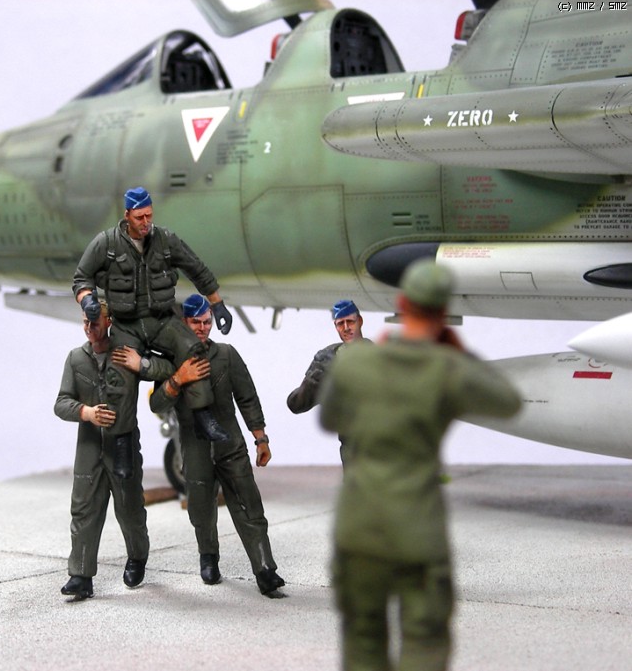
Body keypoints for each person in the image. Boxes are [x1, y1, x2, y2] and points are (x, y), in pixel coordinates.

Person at [317, 260, 522, 670]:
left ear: (402, 304)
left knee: (363, 639)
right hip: (417, 526)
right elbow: (508, 401)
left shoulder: (355, 363)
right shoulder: (448, 370)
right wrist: (456, 351)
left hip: (360, 526)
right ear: (443, 313)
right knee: (425, 640)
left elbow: (328, 419)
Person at [73, 186, 234, 480]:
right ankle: (122, 443)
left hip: (162, 320)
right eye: (140, 217)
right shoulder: (106, 244)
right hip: (127, 325)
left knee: (193, 348)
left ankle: (203, 415)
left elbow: (196, 268)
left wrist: (217, 304)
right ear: (127, 215)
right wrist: (87, 300)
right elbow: (81, 277)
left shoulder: (166, 240)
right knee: (119, 377)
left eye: (149, 215)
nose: (146, 222)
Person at [147, 293, 286, 597]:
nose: (202, 328)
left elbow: (247, 398)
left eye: (207, 322)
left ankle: (265, 569)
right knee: (200, 509)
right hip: (194, 448)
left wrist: (260, 438)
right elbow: (157, 403)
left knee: (249, 505)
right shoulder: (170, 361)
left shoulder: (226, 354)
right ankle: (208, 556)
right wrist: (178, 379)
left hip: (230, 445)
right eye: (196, 322)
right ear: (184, 323)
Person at [53, 301, 158, 600]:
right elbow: (61, 403)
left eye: (95, 322)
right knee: (84, 509)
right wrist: (86, 412)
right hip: (89, 449)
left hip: (122, 445)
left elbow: (161, 368)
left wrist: (141, 364)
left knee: (129, 508)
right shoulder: (76, 359)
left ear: (109, 321)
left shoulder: (125, 353)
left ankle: (137, 556)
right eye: (85, 322)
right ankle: (80, 575)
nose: (90, 328)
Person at [287, 299, 369, 464]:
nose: (346, 328)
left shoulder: (379, 357)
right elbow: (296, 404)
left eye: (350, 322)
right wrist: (314, 382)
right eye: (340, 324)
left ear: (359, 321)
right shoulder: (326, 358)